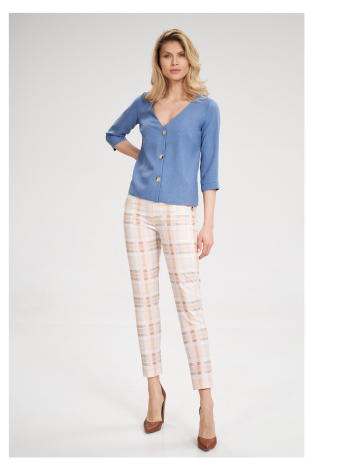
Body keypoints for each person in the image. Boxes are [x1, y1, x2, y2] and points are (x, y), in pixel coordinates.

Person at [105, 29, 220, 451]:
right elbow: (114, 134)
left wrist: (207, 224)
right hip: (137, 210)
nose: (174, 62)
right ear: (159, 62)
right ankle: (154, 390)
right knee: (145, 302)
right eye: (167, 55)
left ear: (190, 60)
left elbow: (210, 169)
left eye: (180, 55)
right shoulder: (146, 102)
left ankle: (206, 403)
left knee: (190, 305)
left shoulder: (206, 108)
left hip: (178, 213)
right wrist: (142, 158)